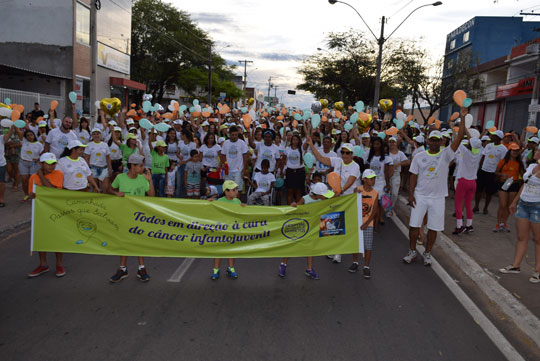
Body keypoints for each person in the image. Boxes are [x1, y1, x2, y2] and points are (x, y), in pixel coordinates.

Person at [403, 111, 465, 266]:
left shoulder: (446, 154)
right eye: (432, 140)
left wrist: (462, 118)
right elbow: (413, 176)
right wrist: (411, 195)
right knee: (414, 226)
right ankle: (412, 251)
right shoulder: (418, 157)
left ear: (441, 141)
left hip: (438, 198)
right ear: (427, 141)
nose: (435, 142)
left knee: (433, 228)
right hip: (420, 196)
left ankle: (428, 253)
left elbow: (460, 136)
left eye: (438, 140)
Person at [307, 138, 360, 264]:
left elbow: (350, 181)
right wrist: (311, 144)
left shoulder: (355, 166)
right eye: (343, 152)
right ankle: (332, 249)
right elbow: (320, 158)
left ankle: (338, 253)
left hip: (348, 198)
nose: (345, 155)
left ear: (352, 154)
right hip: (335, 196)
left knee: (341, 225)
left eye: (348, 153)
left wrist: (341, 191)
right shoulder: (337, 161)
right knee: (330, 222)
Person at [109, 154, 155, 282]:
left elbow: (151, 196)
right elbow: (110, 189)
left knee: (139, 241)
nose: (143, 168)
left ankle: (141, 268)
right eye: (140, 165)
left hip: (139, 216)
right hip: (124, 215)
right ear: (132, 166)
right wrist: (116, 193)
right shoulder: (120, 178)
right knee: (124, 241)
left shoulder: (142, 178)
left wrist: (149, 180)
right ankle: (122, 269)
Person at [279, 182, 335, 280]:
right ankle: (283, 264)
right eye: (324, 195)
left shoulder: (322, 200)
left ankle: (309, 269)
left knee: (311, 248)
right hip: (301, 227)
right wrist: (293, 205)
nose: (326, 197)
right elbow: (296, 207)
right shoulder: (305, 199)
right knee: (292, 245)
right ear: (318, 194)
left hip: (313, 228)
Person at [499, 150, 540, 284]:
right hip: (523, 204)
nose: (536, 151)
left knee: (538, 240)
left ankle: (538, 271)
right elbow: (525, 184)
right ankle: (515, 266)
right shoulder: (532, 166)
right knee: (522, 237)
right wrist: (515, 201)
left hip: (537, 206)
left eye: (538, 150)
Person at [27, 153, 66, 277]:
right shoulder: (33, 177)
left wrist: (41, 177)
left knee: (56, 238)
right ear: (41, 164)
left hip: (55, 211)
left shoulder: (58, 174)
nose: (52, 166)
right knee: (41, 238)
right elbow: (31, 195)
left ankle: (59, 264)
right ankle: (43, 265)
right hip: (41, 212)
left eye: (53, 163)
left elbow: (53, 191)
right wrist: (31, 196)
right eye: (48, 164)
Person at [210, 180, 245, 280]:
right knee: (219, 251)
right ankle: (216, 269)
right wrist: (209, 203)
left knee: (231, 250)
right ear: (226, 191)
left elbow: (240, 214)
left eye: (236, 189)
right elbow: (212, 210)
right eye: (233, 190)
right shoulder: (220, 201)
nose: (236, 191)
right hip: (221, 230)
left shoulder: (237, 201)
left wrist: (243, 208)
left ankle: (231, 268)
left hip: (233, 230)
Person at [350, 169, 379, 278]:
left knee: (368, 245)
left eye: (374, 178)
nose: (373, 180)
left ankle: (366, 266)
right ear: (364, 179)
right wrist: (355, 194)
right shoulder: (357, 189)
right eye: (371, 178)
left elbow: (374, 210)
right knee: (357, 244)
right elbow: (352, 204)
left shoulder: (375, 193)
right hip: (357, 222)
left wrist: (367, 223)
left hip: (368, 224)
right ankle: (355, 262)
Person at [452, 137, 482, 234]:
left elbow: (456, 139)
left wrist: (456, 128)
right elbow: (475, 143)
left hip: (463, 181)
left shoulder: (465, 152)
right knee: (468, 204)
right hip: (473, 182)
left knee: (458, 204)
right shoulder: (479, 153)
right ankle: (469, 225)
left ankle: (459, 226)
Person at [474, 130, 507, 215]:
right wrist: (480, 167)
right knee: (478, 190)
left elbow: (503, 163)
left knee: (489, 192)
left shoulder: (503, 149)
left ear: (499, 138)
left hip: (492, 173)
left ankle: (485, 208)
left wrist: (498, 174)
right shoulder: (488, 145)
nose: (491, 137)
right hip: (483, 170)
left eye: (494, 136)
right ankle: (476, 206)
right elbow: (483, 156)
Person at [494, 142, 524, 232]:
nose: (515, 152)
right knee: (502, 205)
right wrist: (502, 174)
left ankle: (504, 223)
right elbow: (496, 172)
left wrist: (521, 178)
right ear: (509, 151)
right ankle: (498, 224)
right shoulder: (503, 161)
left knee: (508, 206)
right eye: (513, 150)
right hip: (504, 183)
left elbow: (523, 175)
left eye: (517, 151)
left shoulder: (519, 163)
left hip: (514, 184)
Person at [17, 128, 43, 202]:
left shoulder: (39, 144)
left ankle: (34, 195)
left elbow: (42, 154)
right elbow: (19, 131)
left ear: (34, 135)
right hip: (23, 163)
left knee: (33, 180)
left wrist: (38, 159)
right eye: (28, 135)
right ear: (26, 137)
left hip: (34, 164)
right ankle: (26, 195)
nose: (30, 136)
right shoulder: (24, 142)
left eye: (31, 134)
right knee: (24, 180)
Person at [220, 126, 249, 193]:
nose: (234, 136)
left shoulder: (241, 143)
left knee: (237, 189)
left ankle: (238, 202)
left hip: (238, 170)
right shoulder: (226, 143)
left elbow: (245, 156)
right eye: (232, 135)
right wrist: (224, 164)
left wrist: (244, 168)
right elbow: (223, 155)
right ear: (229, 134)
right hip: (228, 170)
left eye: (236, 135)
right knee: (228, 188)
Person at [282, 134, 305, 205]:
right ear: (291, 140)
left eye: (296, 140)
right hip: (290, 172)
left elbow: (308, 138)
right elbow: (283, 159)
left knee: (298, 191)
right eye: (293, 139)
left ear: (299, 141)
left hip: (299, 171)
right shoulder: (287, 149)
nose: (295, 141)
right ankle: (289, 208)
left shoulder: (301, 148)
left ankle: (298, 208)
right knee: (290, 191)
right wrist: (285, 168)